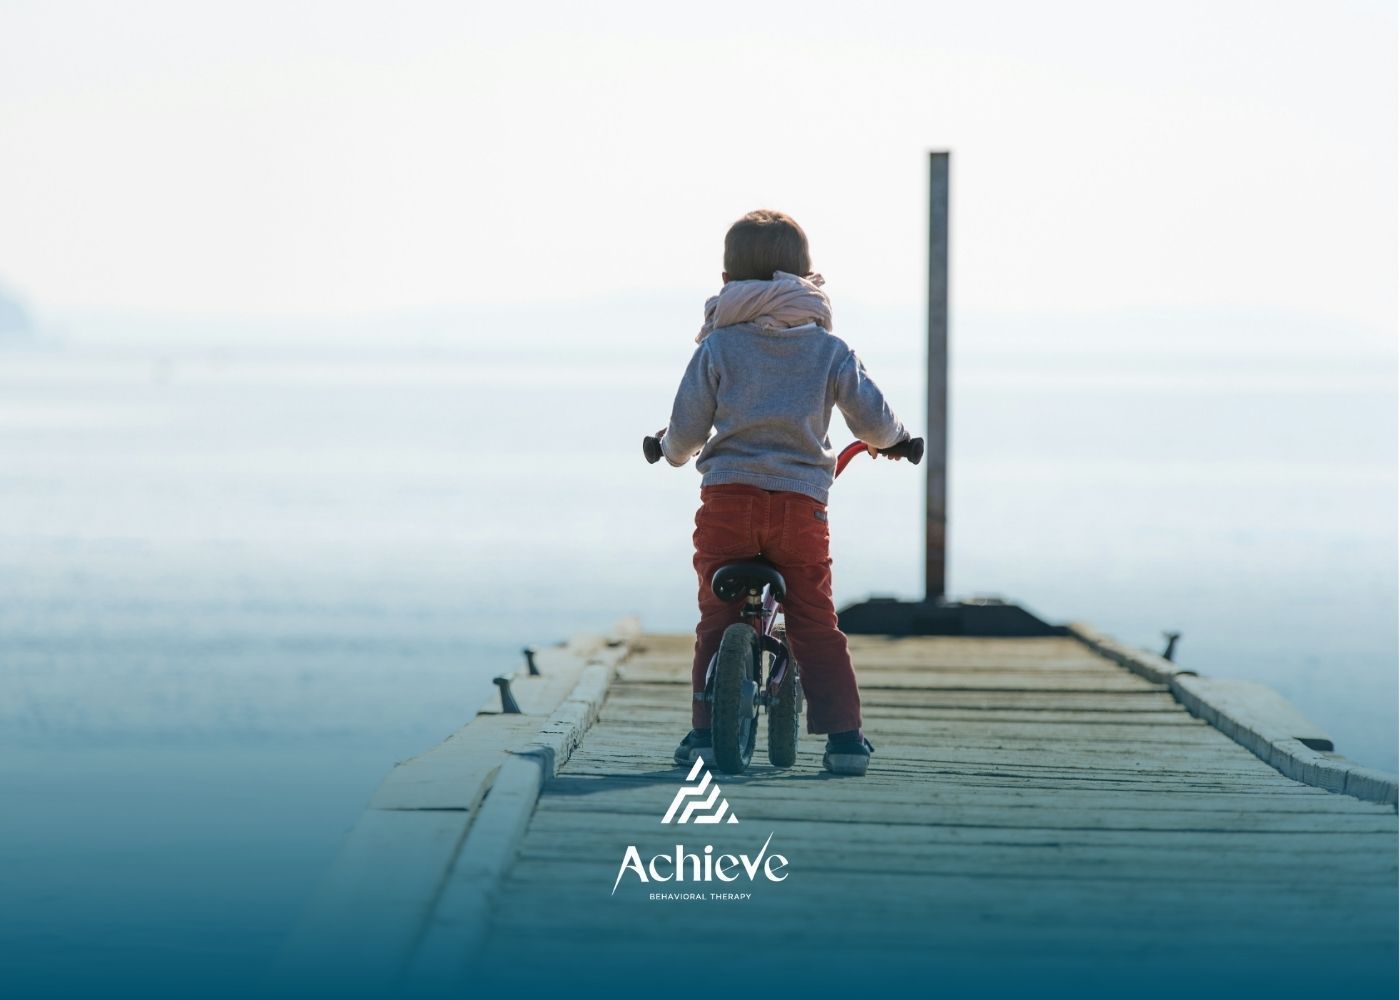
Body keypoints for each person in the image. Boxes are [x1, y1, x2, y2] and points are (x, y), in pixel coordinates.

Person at [655, 209, 909, 776]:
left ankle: (704, 735)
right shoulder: (830, 350)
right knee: (814, 620)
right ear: (807, 278)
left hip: (728, 505)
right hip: (799, 509)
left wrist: (668, 451)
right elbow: (873, 421)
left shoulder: (718, 347)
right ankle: (844, 741)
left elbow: (687, 431)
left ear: (727, 281)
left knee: (716, 617)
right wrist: (897, 441)